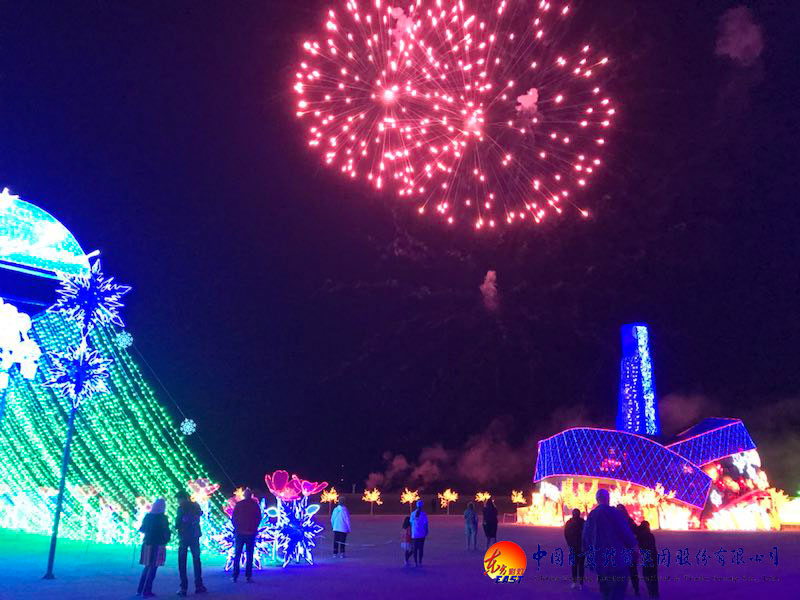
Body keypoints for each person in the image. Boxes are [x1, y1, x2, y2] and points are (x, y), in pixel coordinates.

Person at [582, 489, 638, 600]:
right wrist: (633, 547)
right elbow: (625, 532)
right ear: (608, 498)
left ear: (597, 499)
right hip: (618, 557)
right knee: (618, 589)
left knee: (605, 589)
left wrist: (587, 552)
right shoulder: (615, 513)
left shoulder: (592, 515)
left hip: (600, 559)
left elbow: (586, 537)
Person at [175, 490, 207, 596]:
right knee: (196, 560)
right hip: (195, 535)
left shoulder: (181, 508)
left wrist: (178, 525)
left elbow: (177, 523)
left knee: (182, 561)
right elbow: (200, 513)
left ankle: (183, 587)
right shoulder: (195, 505)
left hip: (184, 536)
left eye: (178, 499)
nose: (178, 501)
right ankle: (199, 585)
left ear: (182, 498)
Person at [137, 498, 170, 598]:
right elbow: (165, 531)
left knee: (147, 566)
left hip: (147, 543)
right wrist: (167, 539)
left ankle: (140, 589)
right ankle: (147, 590)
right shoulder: (163, 518)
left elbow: (142, 529)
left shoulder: (148, 516)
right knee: (153, 568)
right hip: (158, 544)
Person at [231, 488, 262, 583]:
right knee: (249, 555)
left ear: (244, 495)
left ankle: (235, 576)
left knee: (237, 554)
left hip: (240, 533)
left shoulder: (239, 504)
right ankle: (248, 576)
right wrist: (254, 528)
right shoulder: (255, 505)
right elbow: (258, 518)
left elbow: (234, 518)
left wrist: (237, 527)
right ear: (251, 495)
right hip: (250, 533)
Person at [617, 505, 640, 596]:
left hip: (625, 550)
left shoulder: (616, 522)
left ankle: (632, 589)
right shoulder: (628, 521)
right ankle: (635, 590)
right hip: (626, 550)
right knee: (631, 571)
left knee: (626, 571)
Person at [564, 508, 585, 590]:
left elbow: (566, 534)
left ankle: (576, 582)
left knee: (576, 565)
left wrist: (569, 543)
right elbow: (566, 534)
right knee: (579, 566)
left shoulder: (570, 523)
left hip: (576, 547)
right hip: (578, 547)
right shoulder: (582, 522)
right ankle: (579, 583)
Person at [637, 521, 659, 598]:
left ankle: (652, 592)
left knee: (647, 575)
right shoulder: (649, 535)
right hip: (652, 557)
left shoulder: (642, 536)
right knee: (652, 576)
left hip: (648, 557)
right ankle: (654, 593)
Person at [409, 499, 429, 566]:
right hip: (421, 534)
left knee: (415, 549)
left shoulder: (412, 513)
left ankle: (415, 563)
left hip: (414, 534)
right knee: (421, 549)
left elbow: (411, 523)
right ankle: (420, 562)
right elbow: (425, 524)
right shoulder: (423, 514)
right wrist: (426, 530)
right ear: (422, 506)